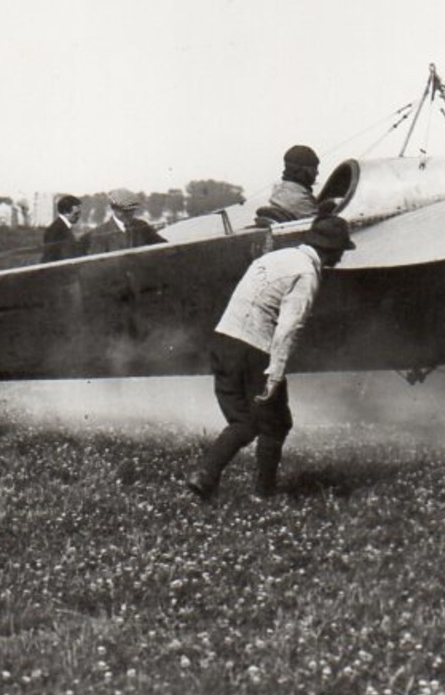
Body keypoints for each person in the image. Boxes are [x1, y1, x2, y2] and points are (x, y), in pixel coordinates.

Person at [185, 213, 354, 499]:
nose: (339, 258)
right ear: (331, 250)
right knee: (276, 423)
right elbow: (289, 328)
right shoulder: (307, 274)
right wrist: (275, 375)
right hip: (253, 350)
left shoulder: (276, 257)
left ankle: (204, 476)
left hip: (223, 341)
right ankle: (263, 494)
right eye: (340, 251)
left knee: (243, 422)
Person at [256, 144, 323, 225]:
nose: (317, 173)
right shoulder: (300, 200)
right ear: (303, 169)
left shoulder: (278, 191)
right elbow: (320, 229)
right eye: (314, 168)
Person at [84, 190, 166, 255]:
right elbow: (96, 265)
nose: (129, 215)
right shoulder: (99, 233)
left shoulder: (142, 226)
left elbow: (164, 247)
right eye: (124, 211)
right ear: (113, 208)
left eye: (131, 211)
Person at [40, 194, 85, 263]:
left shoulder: (63, 227)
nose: (78, 216)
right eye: (76, 214)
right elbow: (50, 256)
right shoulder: (55, 230)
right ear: (66, 212)